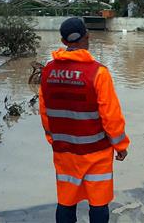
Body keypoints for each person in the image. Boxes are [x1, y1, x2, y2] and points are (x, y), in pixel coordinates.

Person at [39, 17, 130, 223]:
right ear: (87, 37)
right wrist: (120, 145)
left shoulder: (47, 72)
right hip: (96, 152)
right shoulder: (98, 73)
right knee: (98, 202)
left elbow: (45, 114)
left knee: (66, 200)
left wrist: (54, 140)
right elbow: (111, 116)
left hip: (64, 152)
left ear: (63, 42)